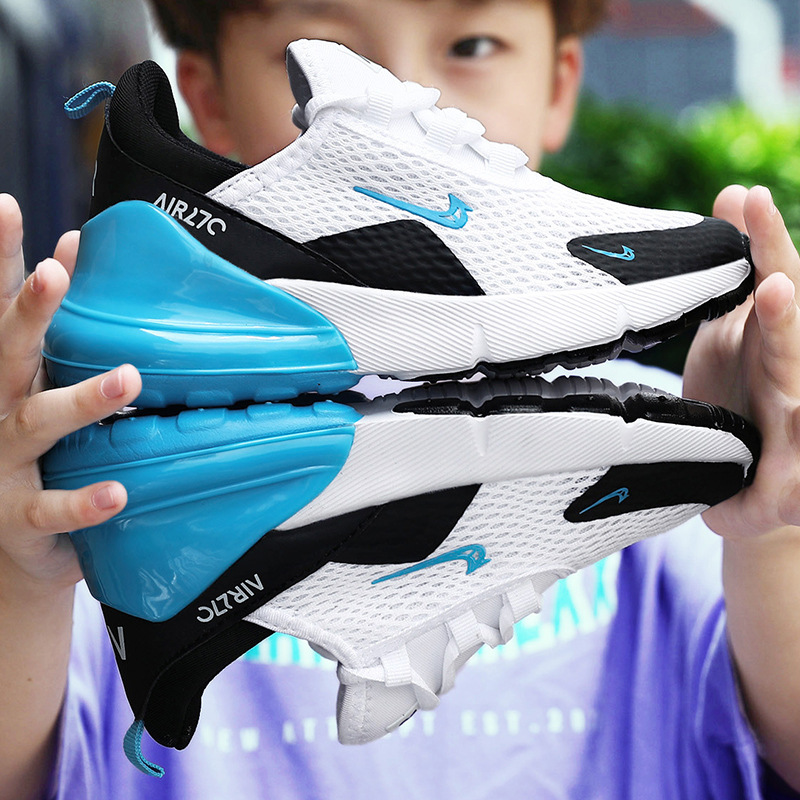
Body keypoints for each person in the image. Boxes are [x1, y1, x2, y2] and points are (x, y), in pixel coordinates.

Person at [2, 0, 800, 797]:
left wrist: (774, 517)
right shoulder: (88, 539)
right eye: (329, 45)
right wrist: (19, 575)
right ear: (206, 98)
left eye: (472, 44)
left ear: (560, 86)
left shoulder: (683, 509)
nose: (405, 83)